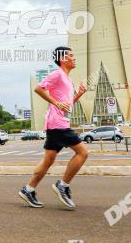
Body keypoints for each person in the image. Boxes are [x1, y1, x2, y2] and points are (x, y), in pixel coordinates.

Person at [18, 47, 88, 209]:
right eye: (71, 55)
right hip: (58, 124)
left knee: (48, 160)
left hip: (57, 123)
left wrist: (79, 95)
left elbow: (68, 104)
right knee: (83, 153)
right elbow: (38, 88)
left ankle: (28, 190)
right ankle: (62, 185)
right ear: (63, 59)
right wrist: (55, 102)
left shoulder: (67, 79)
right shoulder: (57, 74)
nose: (74, 58)